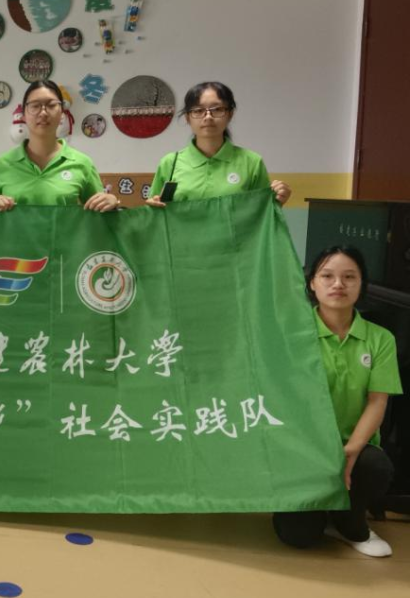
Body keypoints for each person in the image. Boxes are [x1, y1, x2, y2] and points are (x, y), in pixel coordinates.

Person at [273, 246, 401, 557]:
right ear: (312, 283)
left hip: (354, 445)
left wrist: (350, 451)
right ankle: (318, 513)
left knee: (375, 466)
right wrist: (312, 452)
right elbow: (282, 397)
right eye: (327, 276)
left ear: (362, 284)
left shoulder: (380, 338)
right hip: (303, 446)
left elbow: (377, 402)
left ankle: (349, 522)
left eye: (349, 277)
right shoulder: (293, 333)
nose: (338, 284)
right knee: (299, 536)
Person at [0, 80, 119, 212]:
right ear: (24, 115)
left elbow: (100, 212)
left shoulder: (83, 163)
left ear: (62, 113)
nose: (43, 112)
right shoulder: (1, 165)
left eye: (51, 105)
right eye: (35, 106)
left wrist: (112, 202)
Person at [147, 81, 291, 207]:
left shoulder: (252, 162)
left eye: (217, 109)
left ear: (230, 114)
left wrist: (277, 199)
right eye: (198, 110)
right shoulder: (170, 163)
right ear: (187, 117)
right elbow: (156, 211)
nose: (208, 117)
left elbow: (261, 213)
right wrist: (153, 206)